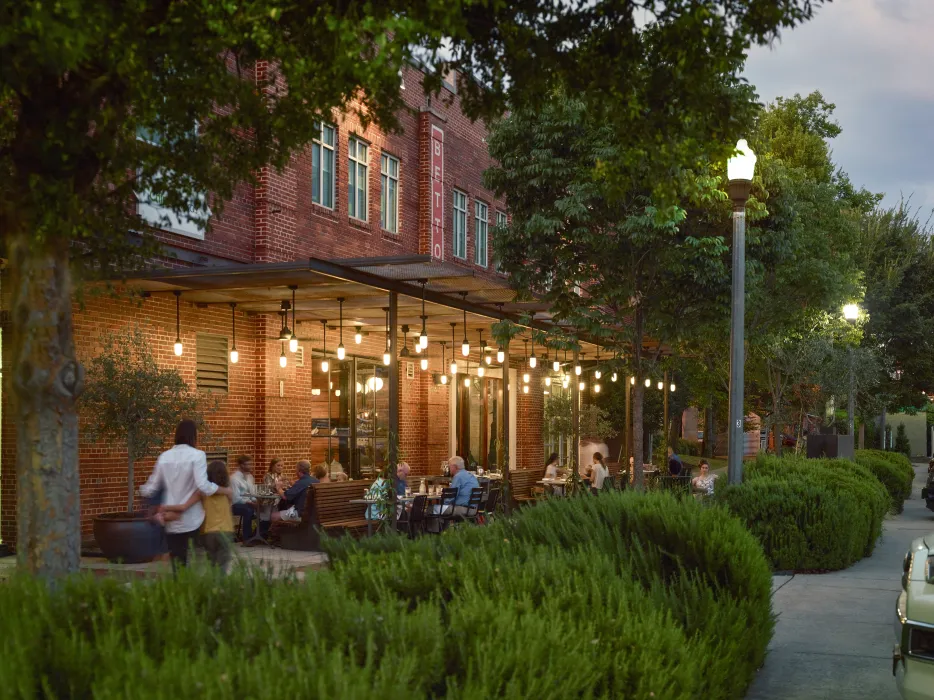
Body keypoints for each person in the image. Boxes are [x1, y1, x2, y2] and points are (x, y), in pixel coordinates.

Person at [140, 419, 231, 569]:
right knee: (200, 559)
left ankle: (179, 588)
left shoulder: (164, 457)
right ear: (193, 436)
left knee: (178, 561)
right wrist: (223, 490)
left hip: (171, 518)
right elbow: (203, 486)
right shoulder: (197, 455)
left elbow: (150, 488)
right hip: (192, 519)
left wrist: (146, 500)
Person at [164, 460, 235, 569]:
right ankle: (219, 586)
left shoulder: (201, 493)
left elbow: (184, 506)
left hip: (207, 531)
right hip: (226, 530)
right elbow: (229, 503)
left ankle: (213, 585)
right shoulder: (229, 492)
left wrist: (165, 507)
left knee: (212, 565)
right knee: (223, 567)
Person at [230, 455, 257, 540]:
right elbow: (235, 498)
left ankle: (259, 534)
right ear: (242, 465)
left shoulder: (250, 477)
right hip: (235, 505)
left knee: (265, 508)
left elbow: (252, 493)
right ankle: (247, 538)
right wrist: (249, 502)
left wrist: (256, 501)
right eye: (248, 464)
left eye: (251, 464)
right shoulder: (234, 478)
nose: (250, 466)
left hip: (249, 502)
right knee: (248, 510)